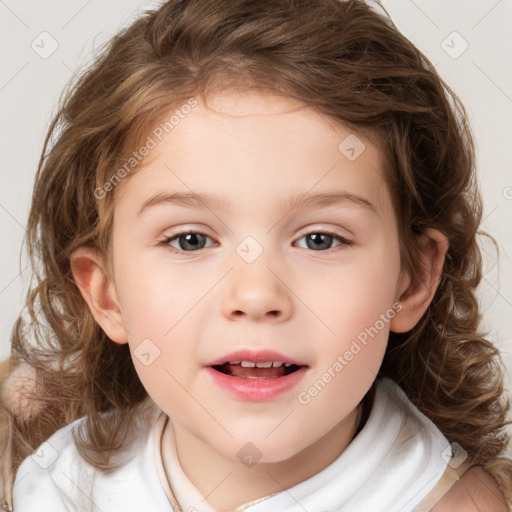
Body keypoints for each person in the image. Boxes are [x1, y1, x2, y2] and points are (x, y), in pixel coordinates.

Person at [0, 0, 510, 510]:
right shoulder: (61, 485)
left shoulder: (459, 503)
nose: (256, 295)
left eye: (319, 239)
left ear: (412, 279)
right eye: (190, 240)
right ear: (106, 293)